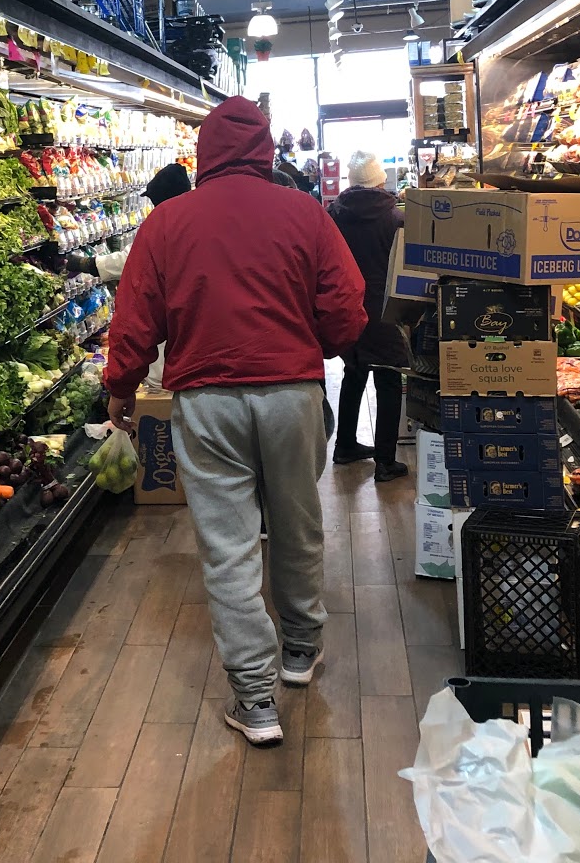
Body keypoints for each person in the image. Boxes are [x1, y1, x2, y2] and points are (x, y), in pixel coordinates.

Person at [104, 97, 366, 747]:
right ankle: (301, 653)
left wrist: (122, 388)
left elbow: (135, 316)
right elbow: (345, 302)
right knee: (298, 522)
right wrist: (319, 347)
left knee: (228, 549)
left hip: (207, 398)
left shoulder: (167, 224)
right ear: (266, 152)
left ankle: (255, 702)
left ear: (204, 155)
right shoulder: (304, 212)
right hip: (293, 394)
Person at [328, 154, 410, 481]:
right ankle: (386, 462)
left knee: (355, 371)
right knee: (388, 378)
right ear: (379, 180)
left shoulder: (334, 215)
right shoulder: (394, 217)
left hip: (347, 305)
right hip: (384, 307)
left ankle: (346, 444)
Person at [66, 163, 193, 283]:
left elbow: (133, 260)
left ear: (165, 199)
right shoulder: (189, 218)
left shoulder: (167, 226)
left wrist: (85, 263)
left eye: (154, 200)